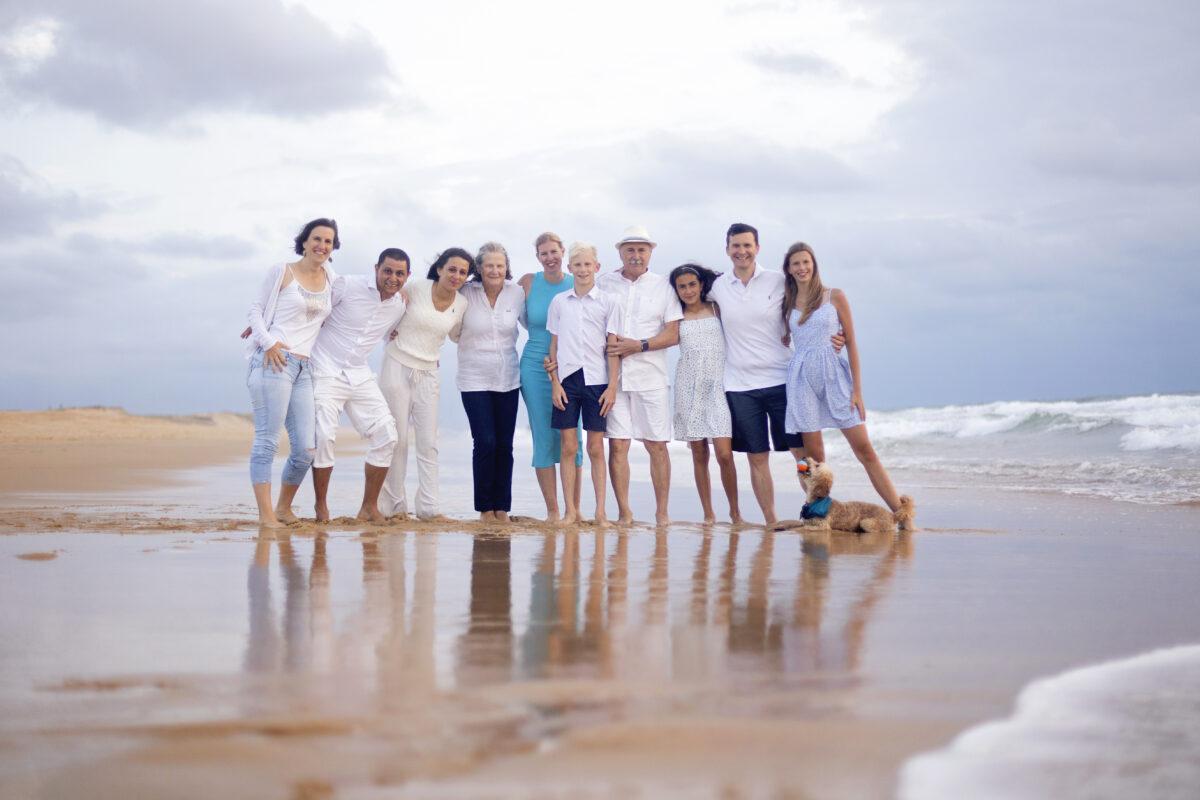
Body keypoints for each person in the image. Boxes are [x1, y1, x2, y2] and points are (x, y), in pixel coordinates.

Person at [782, 242, 907, 516]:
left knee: (865, 450)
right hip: (802, 379)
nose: (802, 268)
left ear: (813, 264)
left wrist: (857, 391)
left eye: (806, 262)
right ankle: (817, 513)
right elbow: (783, 338)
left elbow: (850, 343)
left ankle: (900, 511)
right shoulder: (787, 303)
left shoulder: (834, 296)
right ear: (789, 270)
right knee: (813, 460)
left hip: (835, 375)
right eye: (796, 264)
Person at [244, 218, 337, 527]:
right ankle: (266, 514)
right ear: (304, 241)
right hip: (275, 362)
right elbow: (256, 310)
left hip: (304, 368)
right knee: (267, 441)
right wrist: (267, 341)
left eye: (328, 241)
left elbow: (350, 308)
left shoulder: (330, 278)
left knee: (307, 451)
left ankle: (284, 508)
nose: (322, 245)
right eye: (317, 238)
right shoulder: (282, 271)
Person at [307, 248, 410, 524]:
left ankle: (368, 507)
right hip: (325, 368)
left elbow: (393, 333)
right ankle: (321, 508)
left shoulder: (399, 304)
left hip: (359, 373)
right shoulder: (347, 285)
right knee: (325, 436)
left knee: (388, 435)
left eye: (400, 273)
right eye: (387, 270)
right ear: (376, 268)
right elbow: (314, 309)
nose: (393, 277)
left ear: (407, 276)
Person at [599, 225, 682, 526]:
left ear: (651, 252)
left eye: (641, 249)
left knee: (656, 444)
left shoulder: (664, 286)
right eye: (630, 249)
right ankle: (625, 513)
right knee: (617, 444)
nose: (636, 255)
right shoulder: (604, 283)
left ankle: (662, 513)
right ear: (620, 251)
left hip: (652, 377)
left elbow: (674, 333)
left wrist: (639, 345)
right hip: (614, 379)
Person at [379, 248, 470, 519]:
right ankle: (393, 507)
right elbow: (385, 310)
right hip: (397, 365)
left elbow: (456, 334)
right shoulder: (415, 288)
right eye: (451, 269)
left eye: (463, 272)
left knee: (428, 442)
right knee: (398, 439)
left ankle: (429, 508)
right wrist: (388, 332)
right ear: (439, 269)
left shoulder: (462, 304)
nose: (456, 275)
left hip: (429, 372)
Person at [546, 242, 621, 526]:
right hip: (567, 380)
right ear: (570, 268)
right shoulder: (560, 302)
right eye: (577, 265)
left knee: (595, 448)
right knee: (568, 447)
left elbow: (612, 347)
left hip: (597, 381)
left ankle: (601, 512)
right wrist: (555, 383)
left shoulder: (609, 302)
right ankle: (569, 512)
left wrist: (612, 386)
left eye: (588, 264)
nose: (583, 269)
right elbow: (553, 346)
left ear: (596, 267)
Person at [454, 242, 525, 523]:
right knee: (485, 441)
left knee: (505, 444)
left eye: (500, 265)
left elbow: (538, 324)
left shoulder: (517, 292)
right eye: (489, 265)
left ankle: (501, 508)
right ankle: (485, 508)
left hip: (508, 377)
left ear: (506, 268)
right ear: (479, 268)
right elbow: (439, 310)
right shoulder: (465, 292)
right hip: (473, 378)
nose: (495, 270)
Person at [669, 263, 742, 524]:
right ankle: (708, 514)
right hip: (688, 387)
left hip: (718, 385)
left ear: (701, 285)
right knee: (699, 452)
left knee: (724, 453)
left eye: (692, 284)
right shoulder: (675, 314)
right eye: (682, 286)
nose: (688, 291)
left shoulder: (716, 307)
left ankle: (735, 512)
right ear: (676, 290)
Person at [517, 233, 582, 522]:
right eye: (543, 253)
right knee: (543, 435)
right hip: (534, 365)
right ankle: (553, 511)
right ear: (537, 257)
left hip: (571, 367)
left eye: (554, 252)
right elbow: (494, 298)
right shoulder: (528, 282)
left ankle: (574, 509)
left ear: (563, 252)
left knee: (571, 439)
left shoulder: (576, 281)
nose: (549, 258)